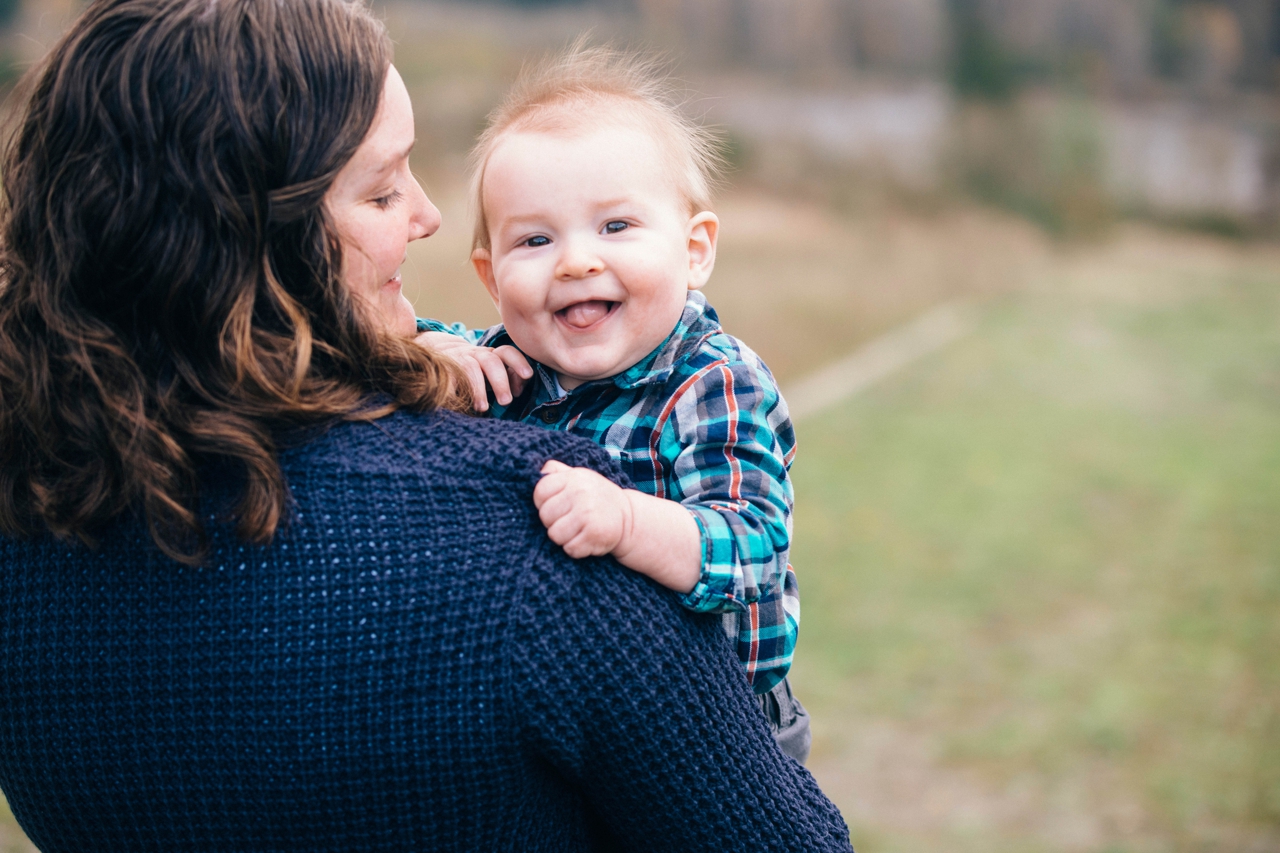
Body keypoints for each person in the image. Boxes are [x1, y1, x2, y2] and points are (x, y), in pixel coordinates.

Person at [0, 0, 854, 851]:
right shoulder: (528, 543)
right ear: (253, 238)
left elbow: (751, 541)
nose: (427, 215)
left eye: (617, 225)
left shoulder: (34, 515)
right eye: (382, 190)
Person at [416, 47, 810, 761]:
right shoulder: (511, 363)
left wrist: (626, 520)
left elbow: (752, 548)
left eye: (616, 227)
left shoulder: (712, 383)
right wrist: (434, 351)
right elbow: (407, 342)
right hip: (588, 715)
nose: (576, 261)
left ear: (694, 250)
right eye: (536, 239)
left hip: (725, 727)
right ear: (491, 277)